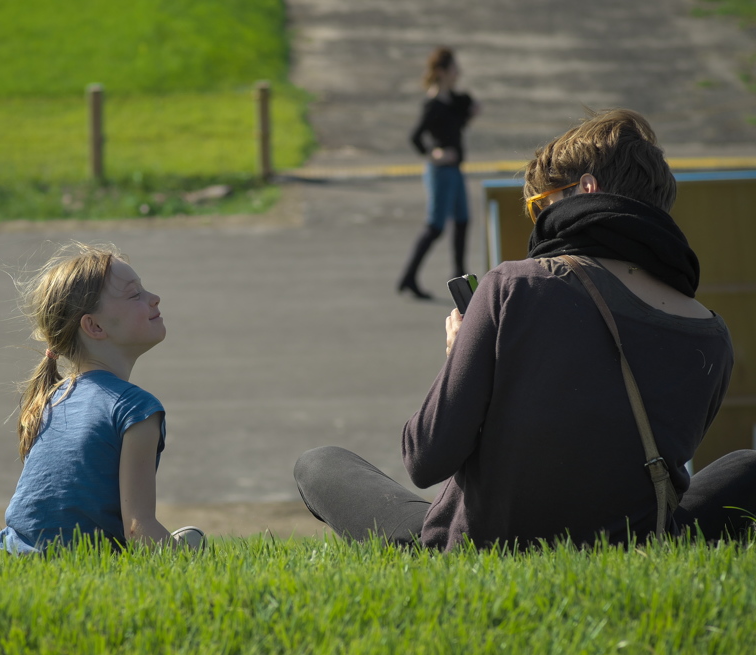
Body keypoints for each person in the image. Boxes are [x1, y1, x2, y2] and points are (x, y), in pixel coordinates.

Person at [296, 109, 756, 550]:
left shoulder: (516, 286)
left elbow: (426, 457)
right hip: (632, 539)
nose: (537, 221)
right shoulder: (710, 333)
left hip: (483, 543)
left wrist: (461, 353)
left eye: (540, 204)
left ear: (586, 188)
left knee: (318, 463)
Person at [0, 242, 204, 554]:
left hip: (16, 558)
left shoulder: (51, 399)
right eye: (135, 294)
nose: (154, 299)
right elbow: (138, 529)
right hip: (80, 563)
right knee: (192, 544)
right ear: (94, 326)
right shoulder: (135, 408)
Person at [399, 46, 479, 299]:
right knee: (435, 226)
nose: (458, 72)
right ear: (442, 71)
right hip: (440, 172)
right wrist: (435, 154)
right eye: (454, 68)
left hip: (456, 171)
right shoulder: (432, 104)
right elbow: (416, 137)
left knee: (463, 221)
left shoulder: (453, 101)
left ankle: (460, 276)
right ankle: (408, 277)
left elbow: (467, 114)